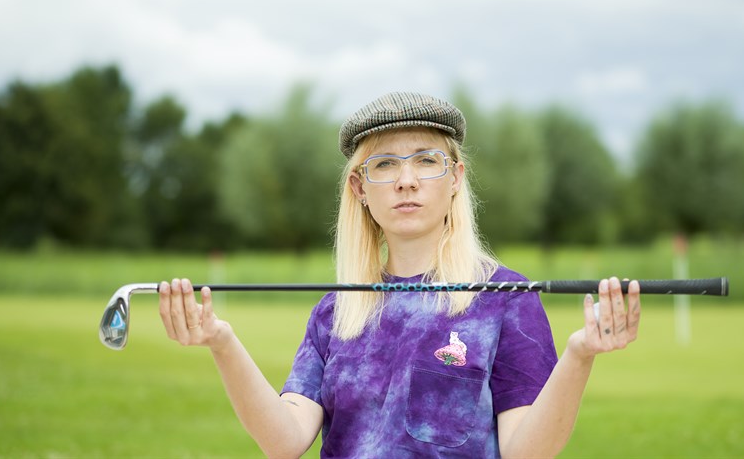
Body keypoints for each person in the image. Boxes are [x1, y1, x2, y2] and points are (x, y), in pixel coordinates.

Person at [158, 91, 640, 458]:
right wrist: (222, 343)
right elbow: (285, 441)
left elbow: (526, 451)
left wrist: (579, 357)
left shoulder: (505, 299)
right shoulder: (335, 312)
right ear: (360, 188)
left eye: (426, 160)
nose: (406, 180)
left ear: (455, 179)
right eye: (384, 164)